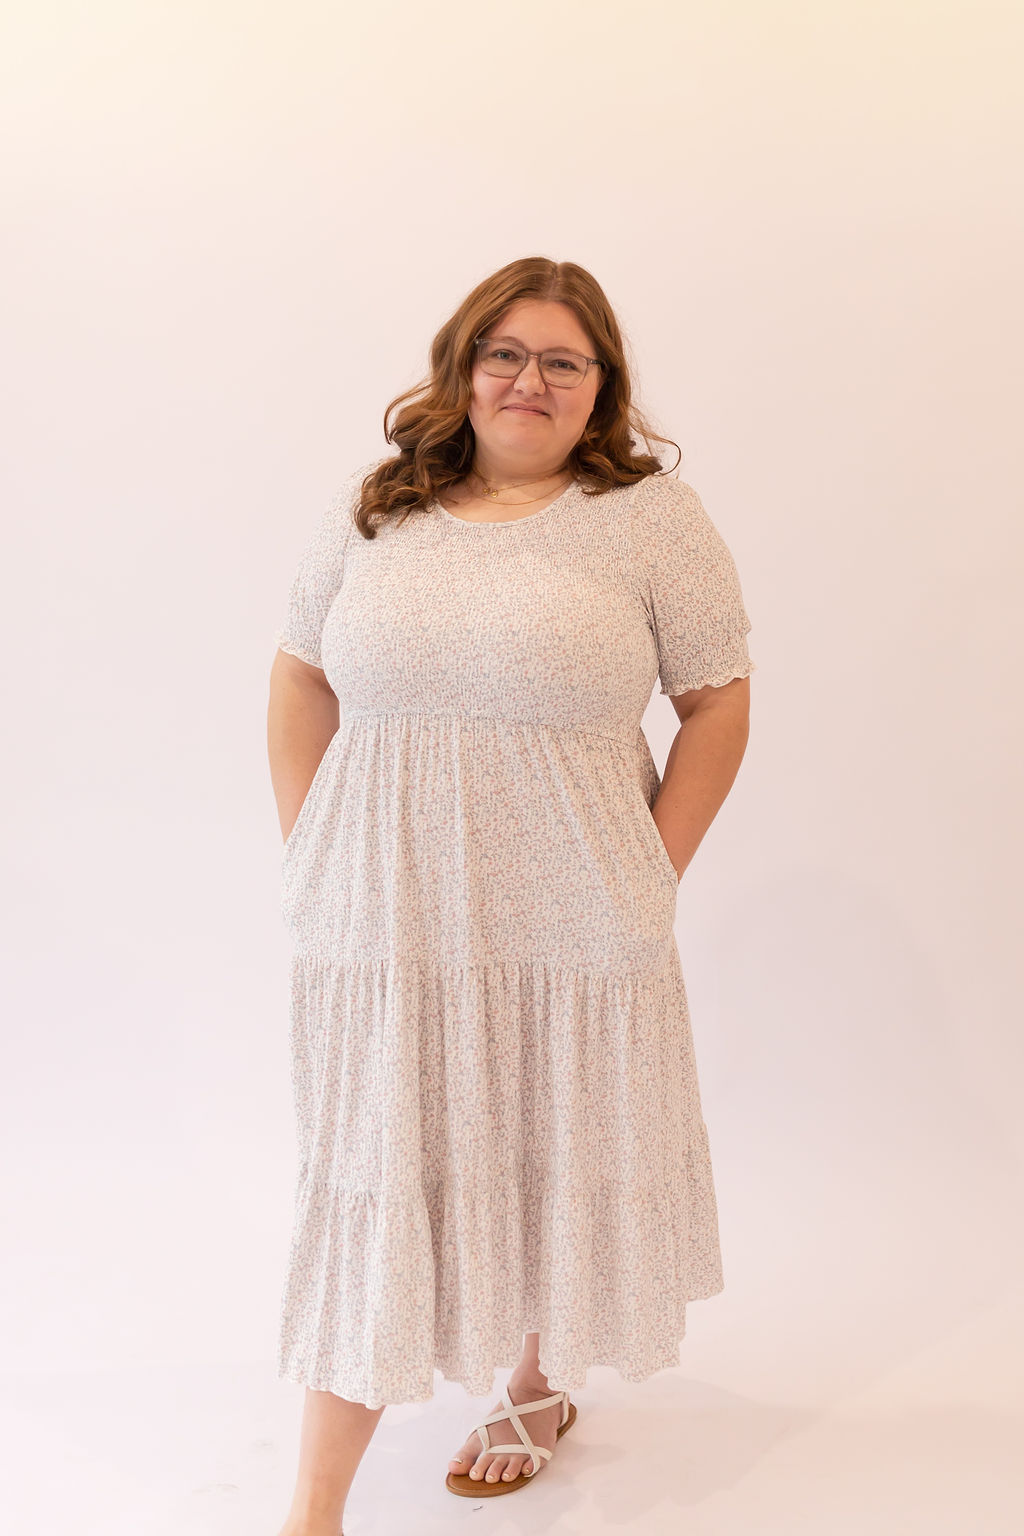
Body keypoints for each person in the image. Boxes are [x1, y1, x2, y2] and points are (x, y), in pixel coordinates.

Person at [266, 254, 755, 1536]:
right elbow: (301, 671)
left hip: (576, 914)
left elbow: (716, 700)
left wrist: (650, 872)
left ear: (600, 389)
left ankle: (533, 1384)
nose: (528, 380)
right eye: (505, 353)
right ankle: (313, 1510)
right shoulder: (378, 509)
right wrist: (311, 849)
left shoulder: (650, 520)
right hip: (384, 918)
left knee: (550, 1141)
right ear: (463, 367)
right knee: (378, 1167)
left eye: (562, 361)